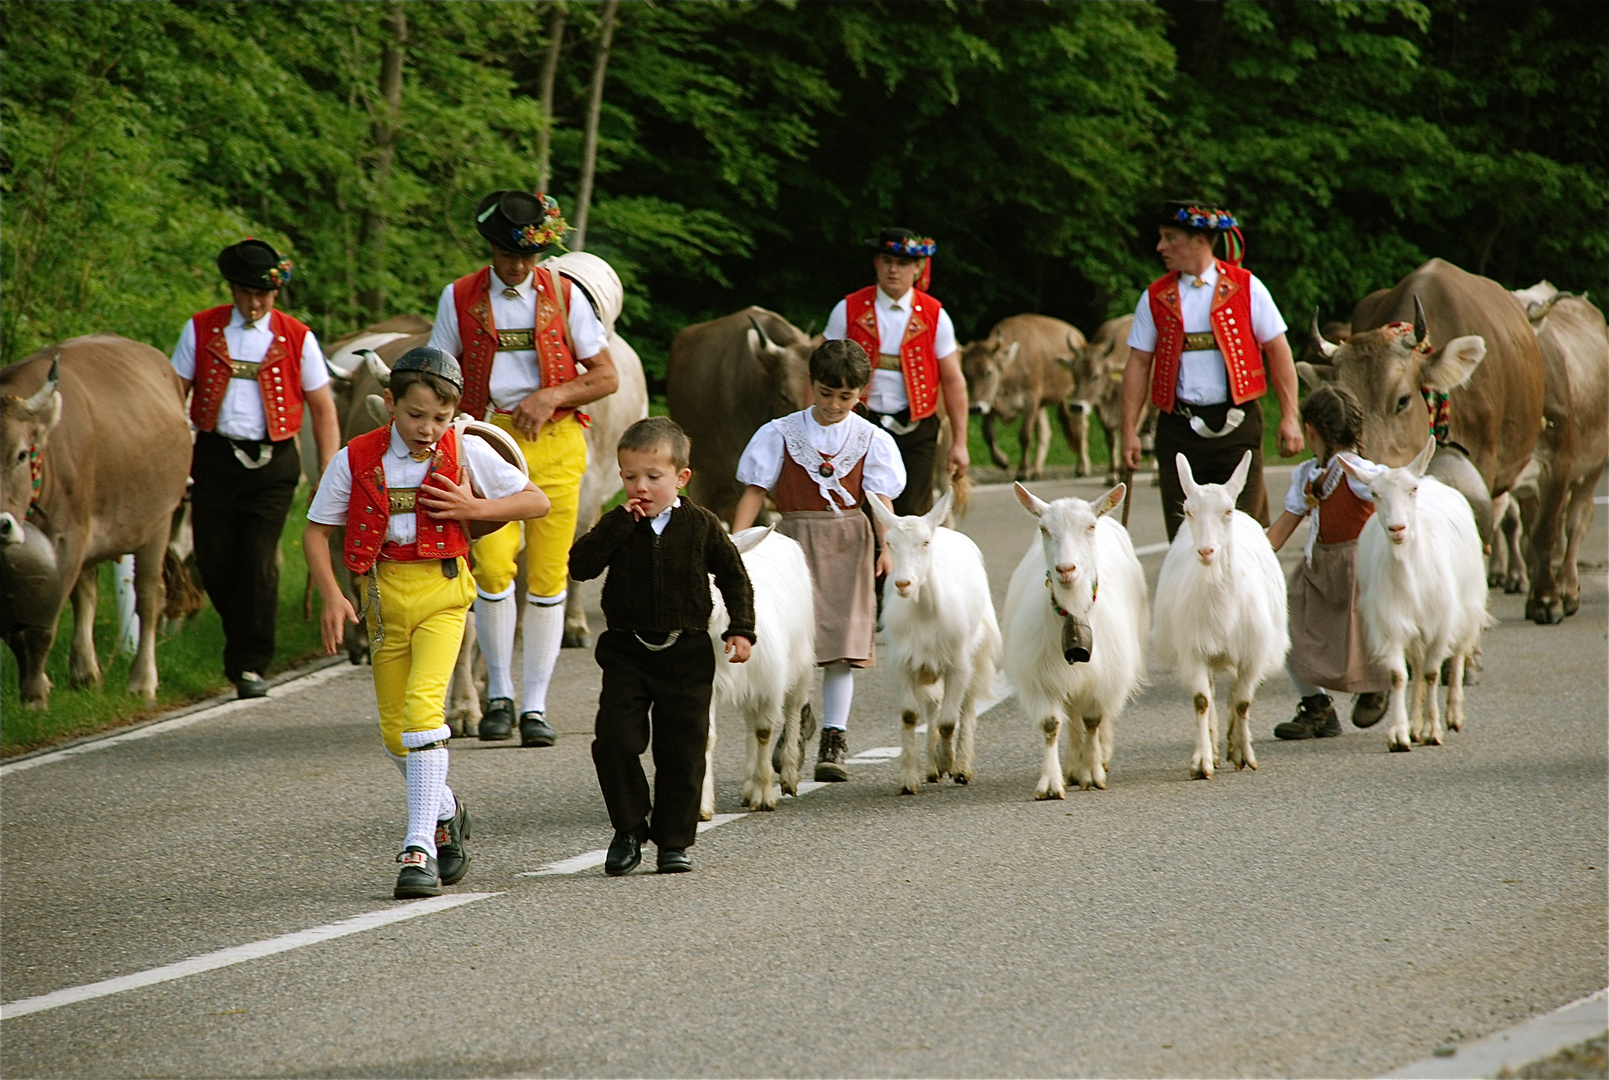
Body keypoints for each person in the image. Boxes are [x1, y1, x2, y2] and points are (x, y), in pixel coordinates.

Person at [304, 347, 549, 899]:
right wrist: (331, 598)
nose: (427, 429)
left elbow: (535, 501)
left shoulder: (464, 452)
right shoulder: (356, 457)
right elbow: (317, 531)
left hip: (443, 594)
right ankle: (446, 808)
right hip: (382, 602)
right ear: (389, 404)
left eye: (440, 418)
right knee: (396, 735)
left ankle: (418, 846)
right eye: (416, 416)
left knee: (422, 712)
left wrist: (474, 509)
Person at [427, 190, 620, 747]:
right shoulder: (458, 297)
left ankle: (534, 705)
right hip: (486, 441)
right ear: (490, 248)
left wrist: (550, 396)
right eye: (508, 255)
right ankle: (500, 694)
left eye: (528, 255)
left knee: (547, 576)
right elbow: (442, 372)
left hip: (556, 441)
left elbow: (605, 376)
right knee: (490, 569)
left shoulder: (565, 295)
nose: (518, 266)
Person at [569, 418, 755, 876]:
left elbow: (734, 574)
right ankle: (629, 827)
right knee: (614, 741)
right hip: (626, 652)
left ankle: (673, 840)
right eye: (630, 477)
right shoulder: (618, 523)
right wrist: (616, 525)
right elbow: (581, 567)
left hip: (686, 652)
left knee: (683, 751)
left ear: (681, 478)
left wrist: (742, 628)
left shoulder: (702, 525)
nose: (641, 487)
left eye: (654, 477)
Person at [171, 238, 342, 699]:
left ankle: (251, 664)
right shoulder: (200, 330)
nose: (256, 303)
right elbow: (176, 396)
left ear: (276, 292)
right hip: (213, 457)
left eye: (264, 295)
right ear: (232, 289)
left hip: (273, 465)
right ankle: (241, 640)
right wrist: (175, 461)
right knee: (213, 560)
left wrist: (328, 467)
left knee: (259, 562)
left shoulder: (297, 336)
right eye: (247, 293)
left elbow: (322, 407)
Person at [731, 341, 906, 781]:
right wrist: (737, 544)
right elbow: (755, 489)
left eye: (845, 397)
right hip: (794, 542)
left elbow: (879, 499)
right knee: (794, 642)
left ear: (861, 394)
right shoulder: (782, 432)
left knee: (842, 646)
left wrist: (888, 548)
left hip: (850, 539)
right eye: (825, 393)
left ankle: (834, 738)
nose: (833, 405)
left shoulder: (871, 440)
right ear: (811, 385)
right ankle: (798, 717)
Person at [1119, 201, 1303, 542]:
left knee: (1244, 533)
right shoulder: (1156, 296)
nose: (1160, 247)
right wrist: (1129, 430)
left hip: (1238, 428)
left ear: (1200, 241)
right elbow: (1139, 363)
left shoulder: (1247, 287)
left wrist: (1291, 416)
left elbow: (1279, 352)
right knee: (1186, 538)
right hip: (1178, 431)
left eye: (1169, 237)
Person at [1266, 385, 1391, 737]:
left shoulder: (1359, 472)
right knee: (1287, 619)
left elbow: (1392, 491)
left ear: (1310, 431)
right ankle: (1317, 707)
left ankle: (1376, 683)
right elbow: (1281, 529)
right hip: (1318, 566)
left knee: (1365, 630)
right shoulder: (1308, 475)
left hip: (1358, 565)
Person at [822, 227, 968, 517]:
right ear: (876, 262)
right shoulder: (847, 309)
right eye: (887, 261)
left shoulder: (935, 314)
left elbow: (953, 381)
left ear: (917, 267)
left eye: (902, 263)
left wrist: (960, 443)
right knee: (858, 513)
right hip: (858, 424)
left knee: (913, 517)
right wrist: (815, 430)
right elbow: (820, 372)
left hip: (916, 430)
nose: (893, 270)